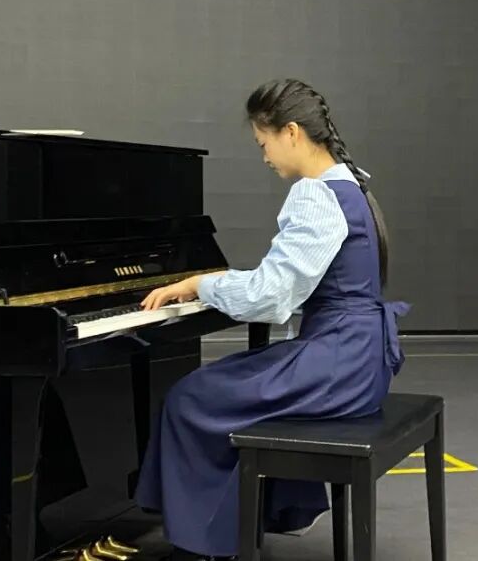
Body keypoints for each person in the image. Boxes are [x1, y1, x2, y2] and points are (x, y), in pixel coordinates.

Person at [134, 79, 409, 561]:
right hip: (365, 363)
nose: (264, 157)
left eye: (263, 143)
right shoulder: (352, 184)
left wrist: (202, 284)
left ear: (292, 132)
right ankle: (261, 514)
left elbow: (272, 297)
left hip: (337, 366)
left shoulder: (315, 195)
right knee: (236, 381)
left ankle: (206, 545)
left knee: (190, 397)